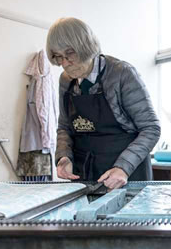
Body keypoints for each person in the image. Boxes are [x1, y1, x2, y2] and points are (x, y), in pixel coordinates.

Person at [47, 17, 160, 190]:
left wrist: (123, 167)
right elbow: (64, 126)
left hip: (126, 174)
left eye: (69, 54)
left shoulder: (122, 74)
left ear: (85, 46)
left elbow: (151, 128)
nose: (65, 63)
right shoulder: (65, 80)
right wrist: (64, 156)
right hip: (85, 173)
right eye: (58, 57)